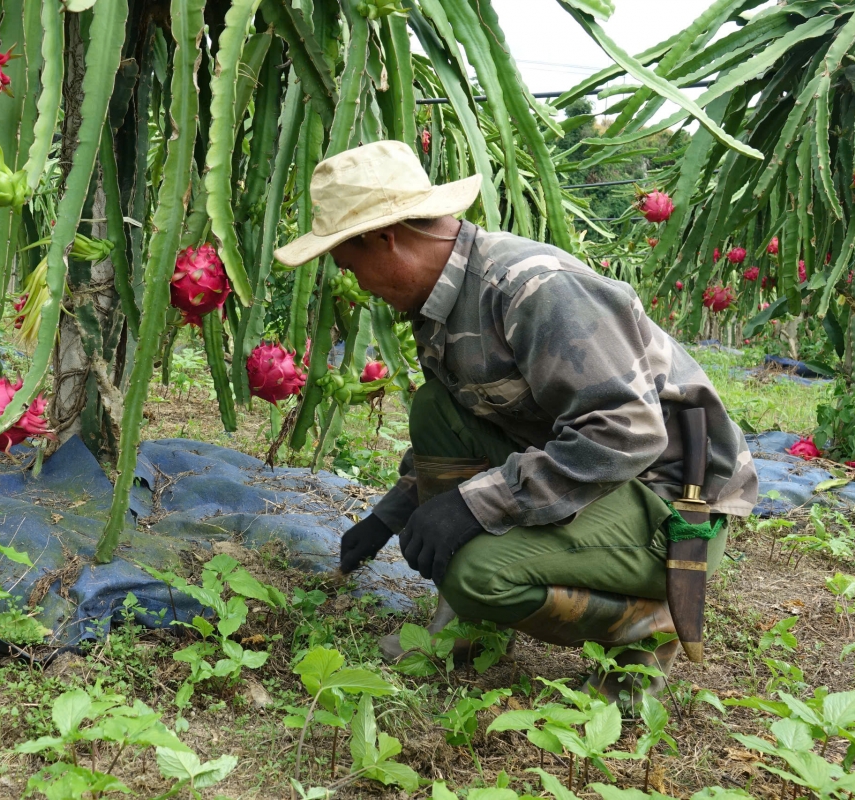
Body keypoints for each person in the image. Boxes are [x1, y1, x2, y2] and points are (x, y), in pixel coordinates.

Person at [273, 141, 758, 702]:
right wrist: (389, 516)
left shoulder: (530, 288)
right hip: (602, 481)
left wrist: (473, 505)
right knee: (435, 407)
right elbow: (466, 419)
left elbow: (627, 431)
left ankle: (644, 627)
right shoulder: (445, 300)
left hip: (670, 507)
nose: (357, 284)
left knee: (477, 573)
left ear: (386, 239)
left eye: (350, 265)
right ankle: (462, 635)